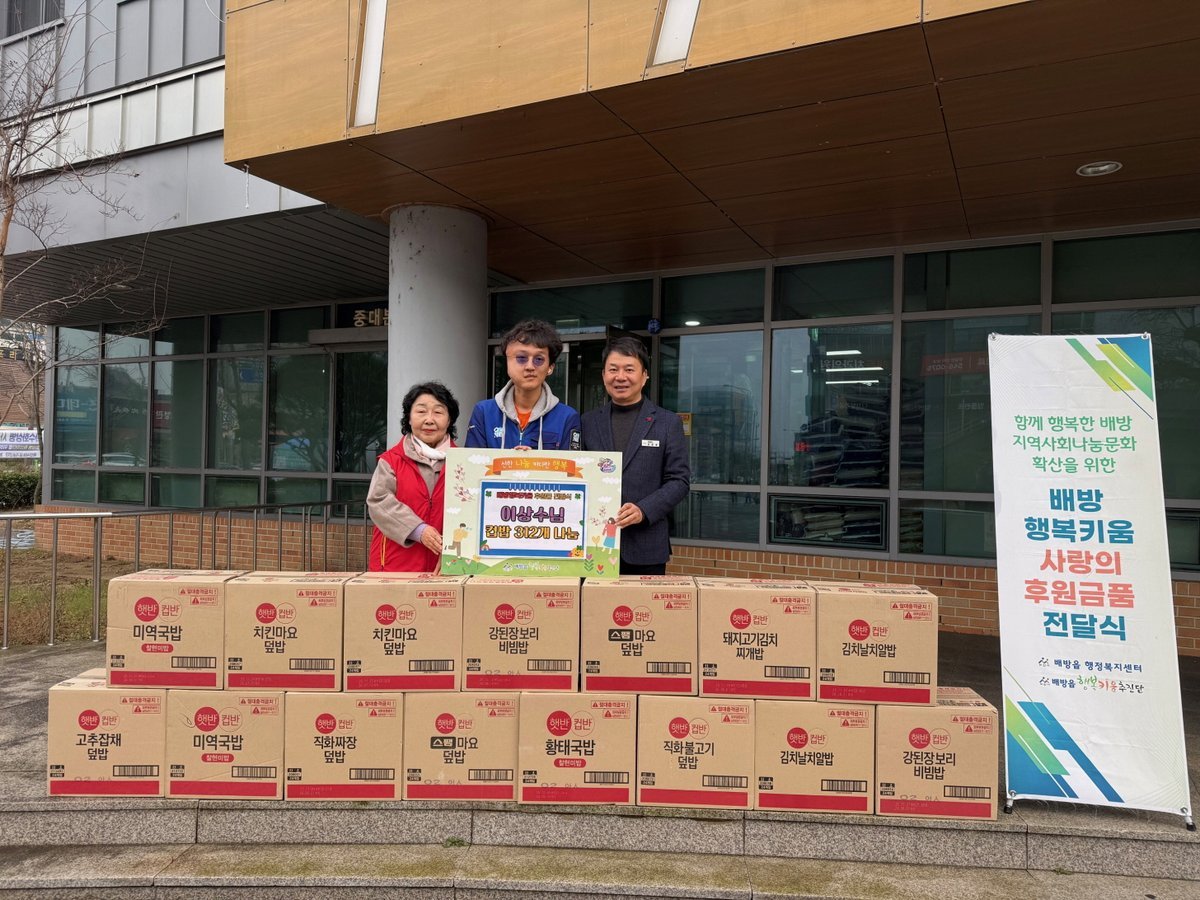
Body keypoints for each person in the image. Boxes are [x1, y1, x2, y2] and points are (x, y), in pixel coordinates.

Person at [581, 336, 690, 575]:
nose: (620, 377)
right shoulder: (587, 422)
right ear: (603, 375)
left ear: (644, 376)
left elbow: (679, 481)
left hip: (646, 547)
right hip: (594, 546)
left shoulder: (667, 422)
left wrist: (644, 509)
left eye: (629, 369)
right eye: (613, 369)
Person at [367, 382, 458, 572]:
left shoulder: (463, 464)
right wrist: (418, 530)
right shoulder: (391, 460)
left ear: (449, 420)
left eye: (438, 412)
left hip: (445, 568)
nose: (429, 420)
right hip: (394, 567)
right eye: (421, 411)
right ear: (408, 418)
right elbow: (378, 501)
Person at [465, 319, 580, 450]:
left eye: (539, 359)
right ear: (507, 363)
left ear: (550, 367)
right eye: (521, 358)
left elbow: (571, 463)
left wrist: (532, 460)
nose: (530, 366)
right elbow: (471, 461)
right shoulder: (484, 412)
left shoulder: (567, 417)